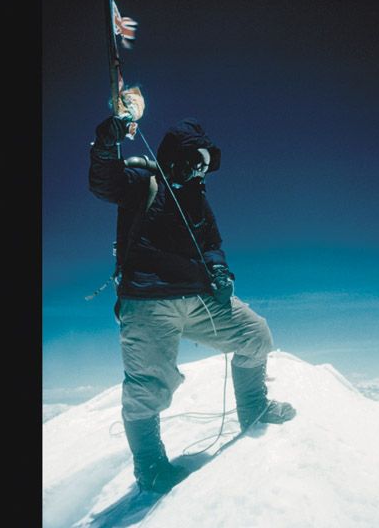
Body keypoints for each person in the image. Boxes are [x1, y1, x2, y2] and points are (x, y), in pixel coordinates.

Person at [89, 115, 296, 494]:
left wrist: (220, 273)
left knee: (254, 334)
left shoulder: (197, 197)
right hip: (149, 300)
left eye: (205, 163)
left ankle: (255, 410)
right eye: (195, 161)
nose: (201, 170)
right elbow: (105, 182)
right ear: (176, 158)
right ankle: (150, 467)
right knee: (148, 386)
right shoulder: (142, 182)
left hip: (199, 298)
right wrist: (106, 143)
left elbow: (212, 243)